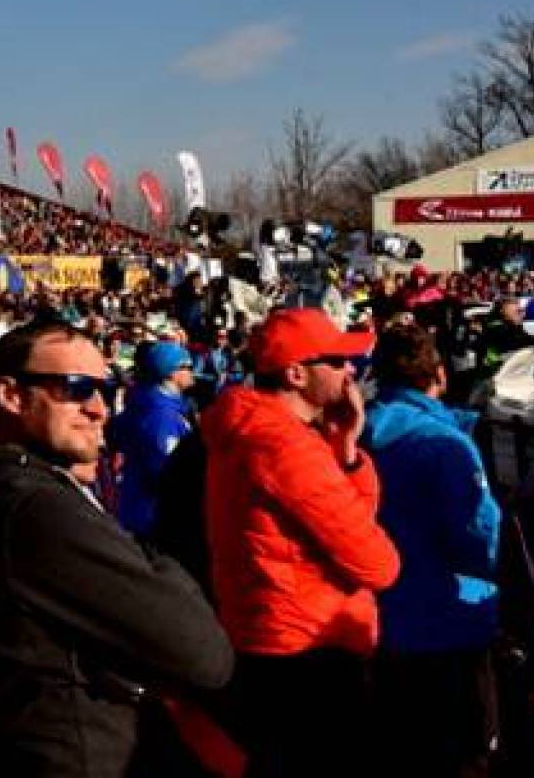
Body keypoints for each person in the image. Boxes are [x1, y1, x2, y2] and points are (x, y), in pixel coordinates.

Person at [0, 319, 233, 778]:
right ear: (11, 395)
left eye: (104, 389)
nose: (98, 409)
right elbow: (202, 653)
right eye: (75, 389)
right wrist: (152, 559)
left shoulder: (5, 490)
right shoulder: (34, 507)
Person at [203, 307, 401, 777]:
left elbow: (351, 524)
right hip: (311, 649)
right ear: (296, 374)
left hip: (270, 635)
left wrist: (346, 450)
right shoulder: (286, 446)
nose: (350, 370)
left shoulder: (249, 430)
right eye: (336, 361)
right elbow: (379, 565)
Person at [362, 323, 500, 777]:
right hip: (449, 621)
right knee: (464, 755)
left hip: (379, 621)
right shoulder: (445, 444)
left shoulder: (353, 435)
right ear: (439, 374)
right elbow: (479, 535)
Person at [107, 340, 195, 540]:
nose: (192, 371)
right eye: (187, 366)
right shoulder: (161, 416)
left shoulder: (148, 402)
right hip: (153, 518)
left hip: (140, 510)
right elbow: (168, 472)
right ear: (171, 372)